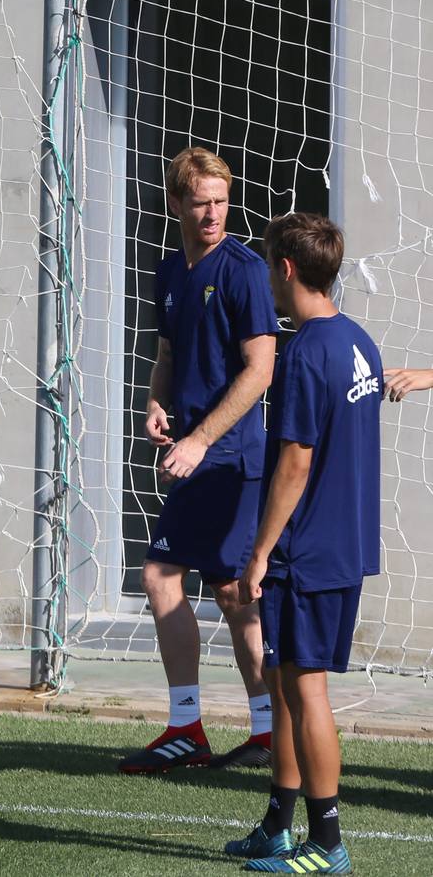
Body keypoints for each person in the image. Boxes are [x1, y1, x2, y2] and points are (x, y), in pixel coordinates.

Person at [225, 213, 380, 874]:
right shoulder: (358, 342)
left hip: (306, 551)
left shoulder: (305, 352)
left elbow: (294, 460)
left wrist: (258, 553)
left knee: (305, 687)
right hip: (343, 544)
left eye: (268, 268)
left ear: (285, 270)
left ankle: (327, 843)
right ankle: (276, 825)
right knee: (285, 678)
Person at [118, 148, 279, 774]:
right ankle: (226, 728)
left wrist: (201, 440)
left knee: (214, 587)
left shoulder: (242, 270)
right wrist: (157, 403)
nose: (212, 213)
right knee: (207, 586)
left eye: (221, 200)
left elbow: (260, 370)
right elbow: (168, 352)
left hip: (232, 459)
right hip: (197, 454)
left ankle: (223, 727)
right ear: (176, 203)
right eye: (200, 201)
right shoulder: (171, 270)